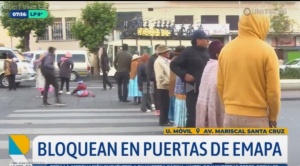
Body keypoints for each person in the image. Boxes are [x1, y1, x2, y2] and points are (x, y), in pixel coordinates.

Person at [217, 14, 281, 128]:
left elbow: (220, 85)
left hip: (230, 117)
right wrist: (273, 118)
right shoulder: (267, 51)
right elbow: (273, 92)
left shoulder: (225, 50)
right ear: (261, 26)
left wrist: (230, 108)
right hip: (256, 119)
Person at [170, 30, 210, 127]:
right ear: (198, 40)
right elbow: (174, 65)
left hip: (206, 87)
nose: (207, 41)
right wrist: (184, 75)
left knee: (206, 112)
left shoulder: (208, 52)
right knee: (192, 112)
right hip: (191, 86)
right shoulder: (187, 52)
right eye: (206, 39)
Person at [196, 40, 224, 127]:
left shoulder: (209, 64)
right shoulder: (217, 66)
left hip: (204, 103)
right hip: (214, 103)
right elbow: (215, 86)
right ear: (217, 54)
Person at [154, 45, 172, 126]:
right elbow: (160, 76)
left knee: (166, 104)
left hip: (166, 85)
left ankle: (165, 119)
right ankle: (163, 121)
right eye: (167, 51)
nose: (168, 53)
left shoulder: (164, 60)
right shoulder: (159, 62)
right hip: (163, 86)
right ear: (163, 52)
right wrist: (168, 82)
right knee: (164, 104)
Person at [169, 46, 186, 127]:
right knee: (181, 106)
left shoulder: (174, 60)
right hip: (180, 87)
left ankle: (177, 121)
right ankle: (180, 123)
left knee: (176, 105)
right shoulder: (180, 61)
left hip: (175, 86)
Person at [147, 44, 161, 116]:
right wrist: (153, 78)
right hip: (153, 80)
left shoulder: (161, 57)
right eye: (159, 49)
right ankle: (157, 109)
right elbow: (149, 70)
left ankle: (160, 109)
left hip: (161, 80)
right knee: (155, 95)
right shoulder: (152, 58)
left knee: (160, 95)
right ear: (155, 50)